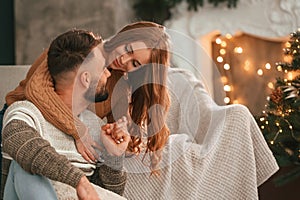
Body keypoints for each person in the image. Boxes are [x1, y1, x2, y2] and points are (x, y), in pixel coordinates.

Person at [2, 21, 279, 199]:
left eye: (136, 64)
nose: (123, 62)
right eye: (129, 49)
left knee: (234, 117)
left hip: (86, 156)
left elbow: (124, 143)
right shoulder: (79, 49)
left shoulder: (121, 83)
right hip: (18, 113)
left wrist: (122, 144)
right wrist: (76, 129)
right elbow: (35, 91)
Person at [2, 29, 130, 200]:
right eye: (103, 68)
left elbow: (107, 193)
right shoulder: (26, 112)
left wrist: (113, 156)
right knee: (24, 167)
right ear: (85, 79)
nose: (108, 73)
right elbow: (17, 141)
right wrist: (79, 181)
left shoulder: (95, 127)